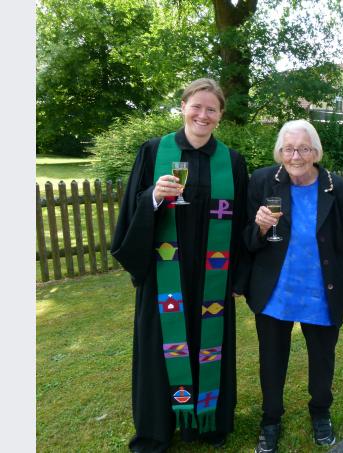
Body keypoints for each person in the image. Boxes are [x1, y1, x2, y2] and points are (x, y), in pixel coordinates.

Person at [110, 77, 250, 453]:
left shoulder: (232, 162)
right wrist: (153, 197)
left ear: (220, 116)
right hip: (164, 274)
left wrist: (237, 277)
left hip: (211, 278)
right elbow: (131, 211)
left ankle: (207, 422)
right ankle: (157, 429)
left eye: (212, 109)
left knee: (209, 346)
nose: (203, 115)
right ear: (183, 106)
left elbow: (240, 225)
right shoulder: (154, 151)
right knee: (161, 349)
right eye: (197, 106)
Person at [243, 119, 343, 453]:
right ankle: (271, 420)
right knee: (271, 360)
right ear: (279, 151)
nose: (296, 156)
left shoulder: (337, 188)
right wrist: (260, 228)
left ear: (316, 151)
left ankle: (320, 413)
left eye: (303, 148)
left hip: (321, 293)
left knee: (323, 360)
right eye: (288, 149)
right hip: (275, 292)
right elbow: (246, 242)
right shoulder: (262, 180)